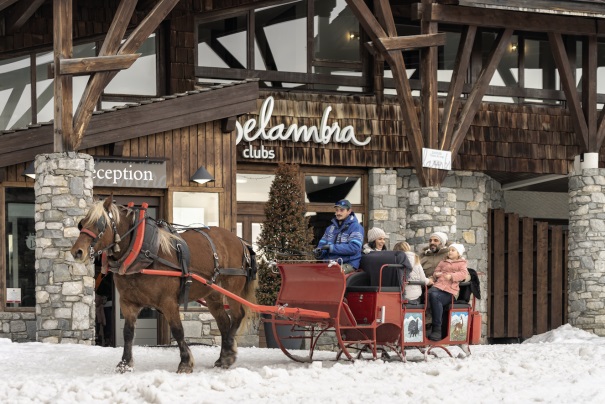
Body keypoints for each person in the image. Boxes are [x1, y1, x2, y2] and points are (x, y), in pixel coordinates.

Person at [427, 243, 469, 341]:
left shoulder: (462, 263)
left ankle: (437, 329)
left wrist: (452, 276)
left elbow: (464, 274)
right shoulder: (443, 262)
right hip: (438, 286)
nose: (450, 252)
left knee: (434, 296)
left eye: (453, 250)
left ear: (458, 253)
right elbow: (436, 272)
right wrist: (436, 274)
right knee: (428, 294)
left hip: (450, 291)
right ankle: (426, 326)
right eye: (449, 250)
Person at [314, 199, 364, 274]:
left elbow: (354, 248)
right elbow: (322, 245)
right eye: (337, 210)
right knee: (313, 274)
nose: (338, 213)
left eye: (341, 210)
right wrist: (319, 252)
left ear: (349, 211)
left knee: (333, 275)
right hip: (330, 264)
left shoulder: (356, 227)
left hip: (348, 264)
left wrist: (332, 248)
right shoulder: (330, 228)